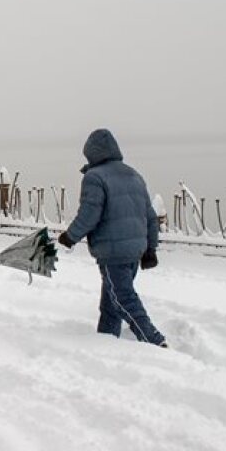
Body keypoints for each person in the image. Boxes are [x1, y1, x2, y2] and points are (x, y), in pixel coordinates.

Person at [58, 129, 166, 347]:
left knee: (123, 299)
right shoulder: (134, 175)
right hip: (136, 250)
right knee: (110, 303)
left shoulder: (94, 177)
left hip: (113, 252)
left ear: (91, 153)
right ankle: (106, 343)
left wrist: (71, 236)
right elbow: (150, 217)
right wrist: (150, 249)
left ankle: (154, 341)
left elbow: (89, 214)